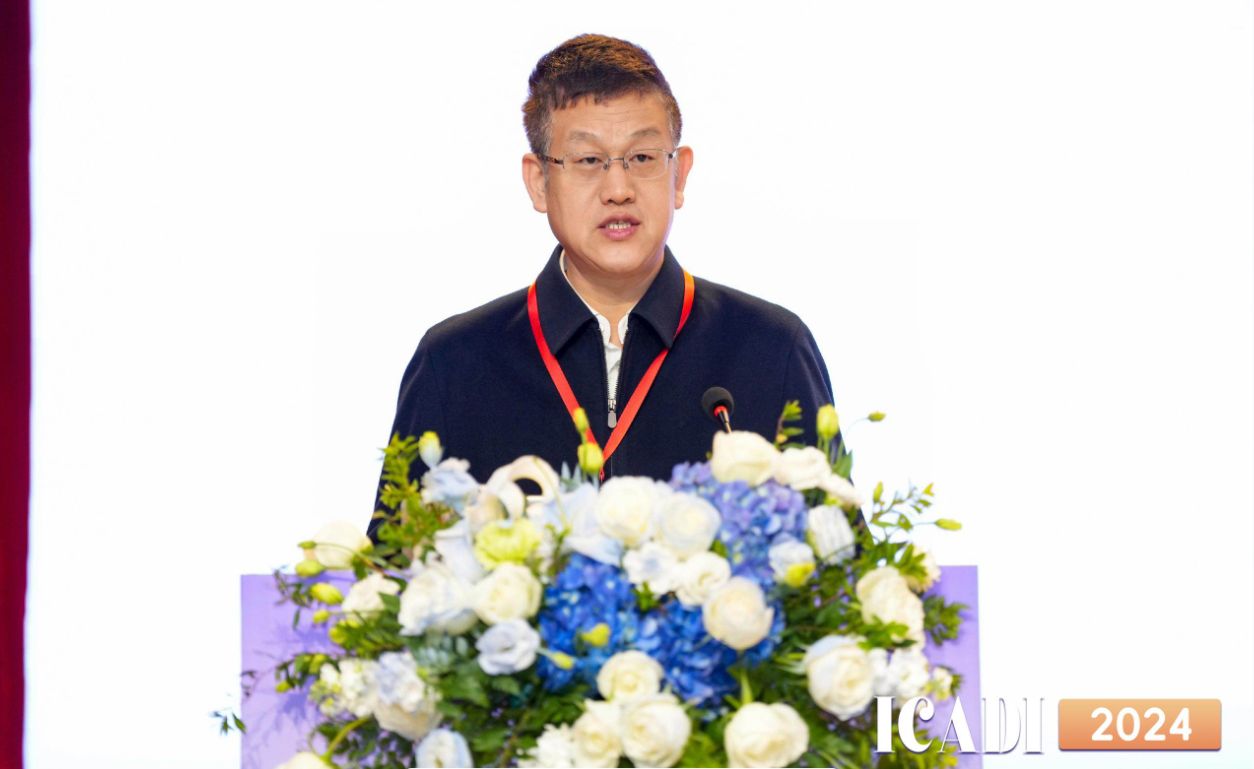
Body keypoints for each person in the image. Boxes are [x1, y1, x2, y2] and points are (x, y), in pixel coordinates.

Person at [370, 34, 839, 538]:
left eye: (643, 158)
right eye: (589, 161)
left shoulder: (770, 347)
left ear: (679, 175)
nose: (618, 190)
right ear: (538, 182)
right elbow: (394, 572)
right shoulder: (454, 362)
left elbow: (842, 565)